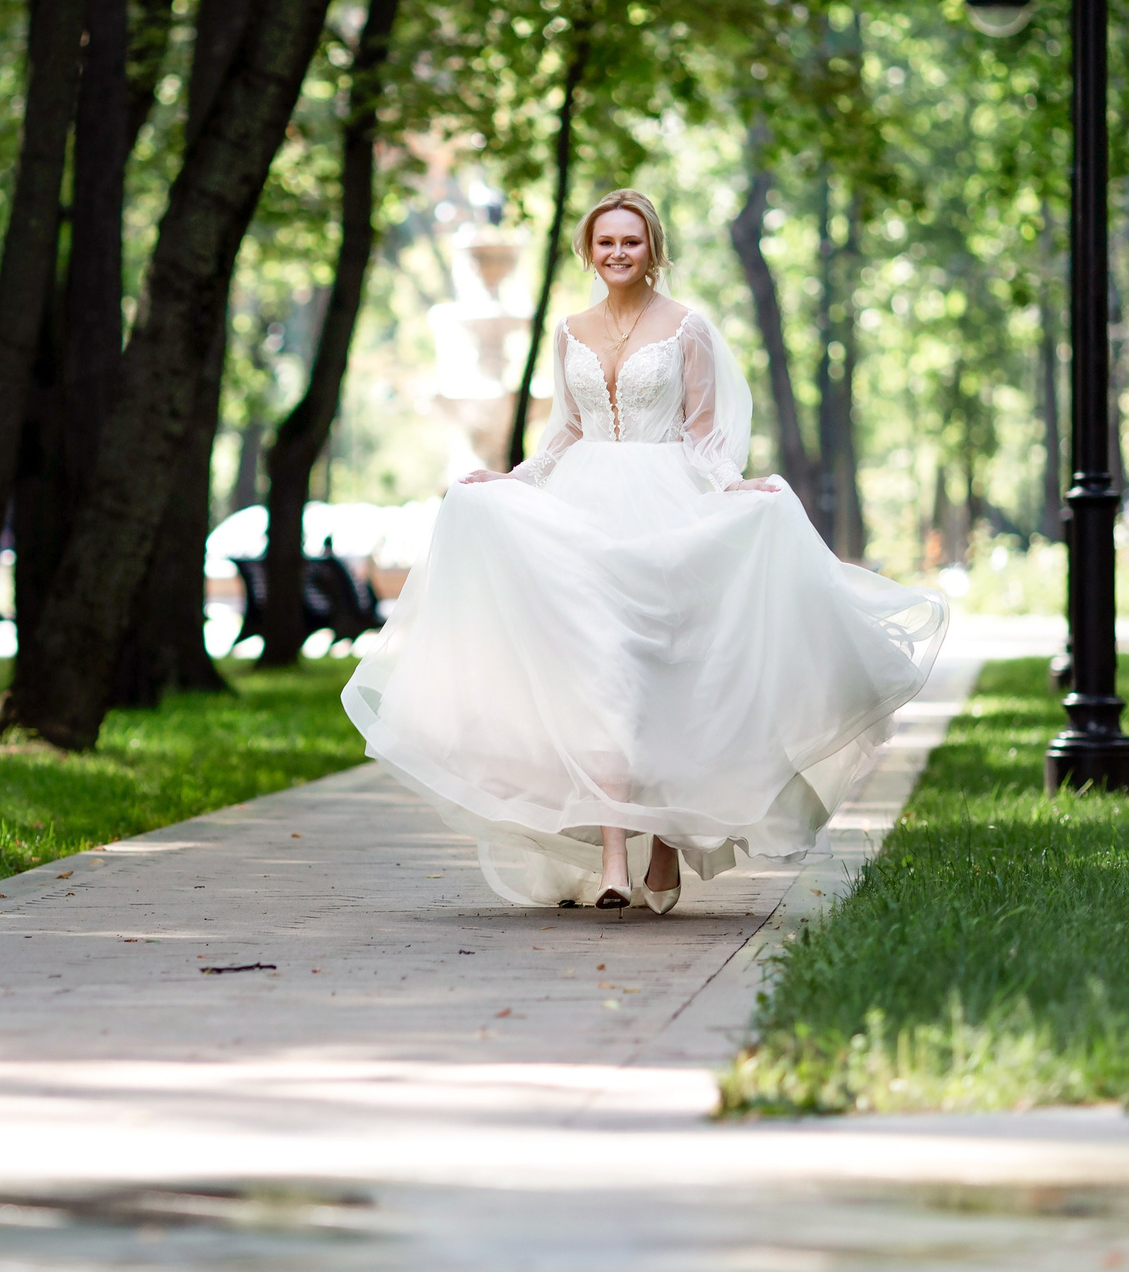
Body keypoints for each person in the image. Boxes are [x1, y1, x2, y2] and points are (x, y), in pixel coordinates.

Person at [342, 190, 945, 913]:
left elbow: (701, 431)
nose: (618, 253)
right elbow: (565, 432)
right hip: (585, 508)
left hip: (667, 500)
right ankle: (610, 861)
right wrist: (508, 482)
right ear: (588, 251)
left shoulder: (687, 327)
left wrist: (732, 486)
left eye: (631, 241)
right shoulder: (569, 329)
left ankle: (665, 843)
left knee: (666, 674)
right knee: (601, 678)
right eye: (605, 243)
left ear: (652, 247)